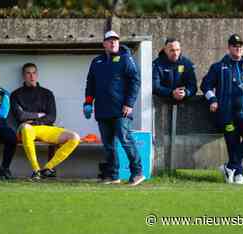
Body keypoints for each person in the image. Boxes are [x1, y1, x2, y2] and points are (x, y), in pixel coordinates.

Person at [201, 34, 243, 184]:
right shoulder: (218, 67)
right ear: (229, 47)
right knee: (233, 145)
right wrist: (212, 99)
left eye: (241, 47)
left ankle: (229, 167)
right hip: (227, 114)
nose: (238, 49)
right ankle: (238, 174)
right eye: (235, 46)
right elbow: (205, 86)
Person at [83, 30, 144, 186]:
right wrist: (88, 102)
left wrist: (129, 104)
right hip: (103, 110)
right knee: (108, 145)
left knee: (125, 139)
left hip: (121, 110)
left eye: (116, 40)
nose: (113, 42)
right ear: (104, 44)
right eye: (110, 40)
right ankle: (113, 175)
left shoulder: (126, 58)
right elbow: (90, 83)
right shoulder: (96, 61)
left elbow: (135, 81)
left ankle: (137, 173)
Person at [10, 63, 80, 181]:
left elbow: (52, 117)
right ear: (23, 76)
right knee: (27, 128)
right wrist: (39, 115)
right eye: (28, 73)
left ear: (37, 75)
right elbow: (20, 116)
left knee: (75, 137)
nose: (32, 76)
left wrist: (34, 120)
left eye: (34, 73)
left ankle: (47, 168)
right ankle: (36, 170)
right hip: (26, 129)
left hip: (45, 128)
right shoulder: (16, 94)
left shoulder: (47, 93)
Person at [153, 38, 197, 102]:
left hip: (183, 104)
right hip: (160, 103)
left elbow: (193, 86)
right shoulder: (156, 64)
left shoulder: (187, 64)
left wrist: (185, 93)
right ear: (165, 50)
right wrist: (171, 93)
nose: (175, 53)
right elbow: (154, 86)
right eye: (172, 50)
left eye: (177, 50)